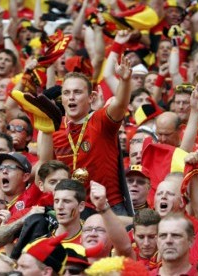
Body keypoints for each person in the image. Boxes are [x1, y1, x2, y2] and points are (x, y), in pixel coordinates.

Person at [41, 45, 133, 215]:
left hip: (109, 207)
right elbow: (46, 168)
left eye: (77, 92)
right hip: (70, 209)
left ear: (91, 98)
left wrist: (125, 81)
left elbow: (120, 104)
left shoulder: (101, 120)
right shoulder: (52, 126)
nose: (71, 97)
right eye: (67, 93)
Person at [81, 181, 135, 262]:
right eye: (87, 230)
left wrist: (103, 207)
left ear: (112, 240)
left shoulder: (119, 266)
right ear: (80, 239)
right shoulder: (67, 264)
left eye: (100, 230)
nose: (92, 234)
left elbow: (125, 248)